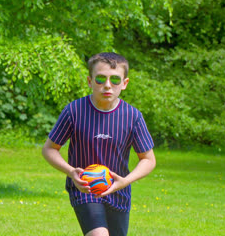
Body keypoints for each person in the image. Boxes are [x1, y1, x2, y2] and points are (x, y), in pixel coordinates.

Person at [42, 52, 156, 236]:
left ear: (125, 83)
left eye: (115, 80)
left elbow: (148, 159)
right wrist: (71, 172)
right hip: (84, 189)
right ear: (89, 81)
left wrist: (125, 181)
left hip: (119, 193)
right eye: (100, 79)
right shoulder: (74, 111)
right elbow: (49, 149)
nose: (107, 85)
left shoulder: (133, 116)